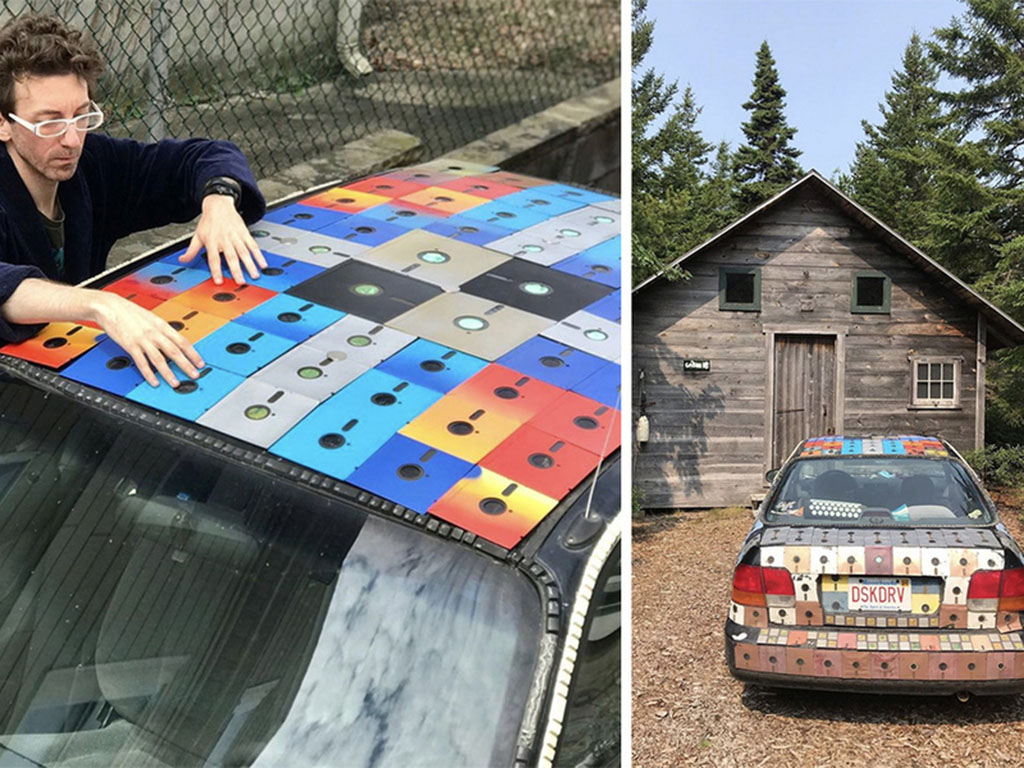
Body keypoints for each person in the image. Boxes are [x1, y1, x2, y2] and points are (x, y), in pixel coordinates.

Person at [0, 14, 268, 387]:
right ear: (4, 124)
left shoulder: (92, 165)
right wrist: (101, 305)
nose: (72, 139)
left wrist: (220, 200)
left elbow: (203, 156)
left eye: (81, 116)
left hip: (71, 373)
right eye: (49, 123)